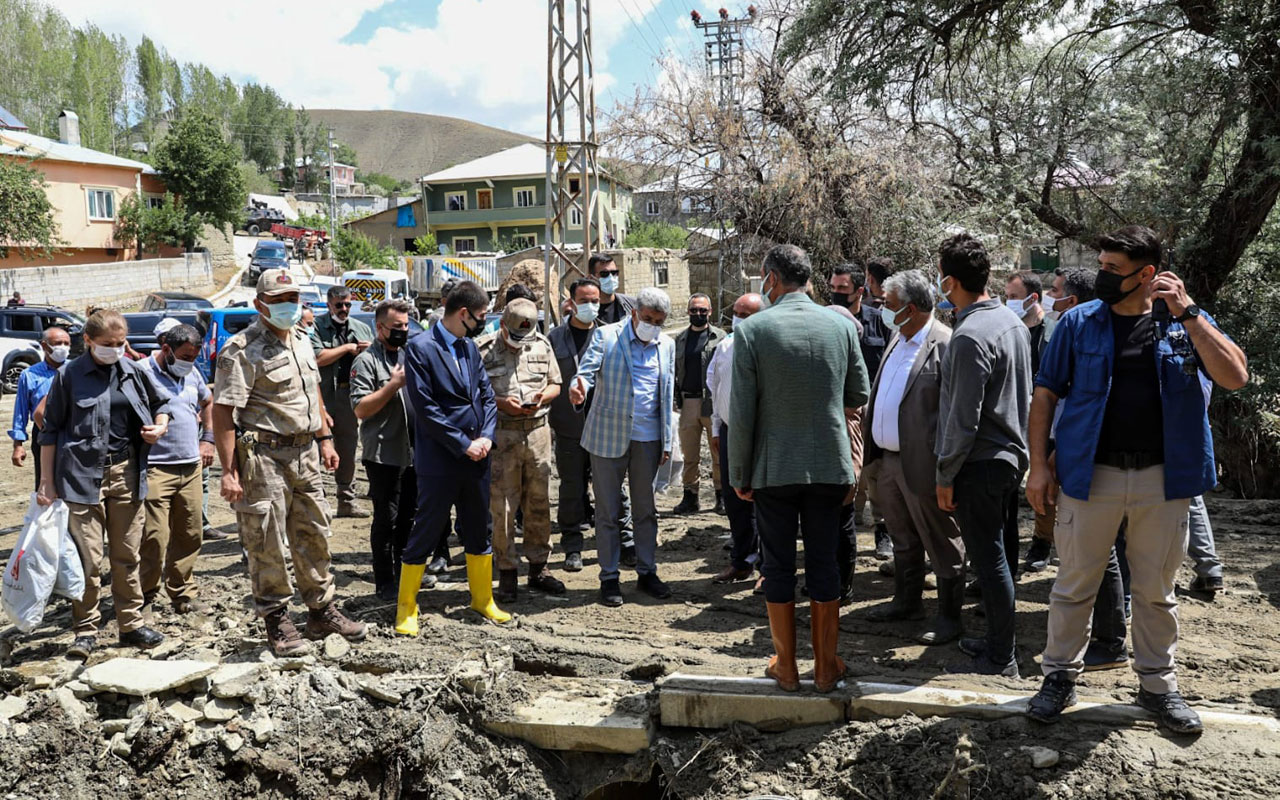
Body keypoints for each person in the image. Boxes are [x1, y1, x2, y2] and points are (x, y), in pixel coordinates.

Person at [1025, 225, 1248, 734]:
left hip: (1162, 482)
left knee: (1155, 591)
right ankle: (1058, 677)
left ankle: (1157, 686)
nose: (1101, 276)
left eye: (1112, 269)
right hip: (1090, 476)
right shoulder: (1079, 322)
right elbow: (1045, 396)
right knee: (1073, 585)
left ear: (1148, 275)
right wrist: (1039, 465)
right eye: (1101, 266)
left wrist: (1190, 314)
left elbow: (1234, 375)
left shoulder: (1183, 323)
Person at [730, 244, 870, 693]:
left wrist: (739, 473)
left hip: (774, 468)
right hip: (829, 463)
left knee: (778, 564)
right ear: (808, 279)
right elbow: (858, 394)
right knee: (825, 560)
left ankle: (787, 666)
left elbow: (742, 411)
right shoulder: (840, 325)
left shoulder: (754, 330)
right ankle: (827, 667)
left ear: (771, 279)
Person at [213, 269, 367, 656]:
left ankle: (321, 610)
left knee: (315, 532)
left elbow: (311, 390)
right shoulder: (241, 349)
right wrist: (229, 472)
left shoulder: (301, 340)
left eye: (293, 298)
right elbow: (223, 413)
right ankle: (277, 619)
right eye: (279, 300)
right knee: (266, 541)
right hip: (262, 457)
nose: (288, 306)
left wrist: (325, 438)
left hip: (305, 454)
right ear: (259, 304)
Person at [37, 309, 171, 658]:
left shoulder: (133, 372)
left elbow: (162, 404)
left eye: (120, 343)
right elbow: (49, 430)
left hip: (126, 474)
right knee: (88, 560)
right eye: (106, 344)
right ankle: (85, 629)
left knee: (127, 554)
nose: (114, 349)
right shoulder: (69, 376)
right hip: (80, 478)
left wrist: (160, 426)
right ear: (88, 341)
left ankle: (131, 624)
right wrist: (46, 482)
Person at [934, 232, 1032, 677]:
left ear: (950, 282)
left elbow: (962, 418)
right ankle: (998, 641)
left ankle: (1001, 657)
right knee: (1002, 555)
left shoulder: (969, 336)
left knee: (989, 560)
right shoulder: (1010, 323)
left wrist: (945, 474)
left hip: (980, 462)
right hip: (1009, 458)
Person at [395, 280, 509, 635]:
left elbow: (487, 396)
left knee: (480, 527)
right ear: (463, 314)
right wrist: (463, 443)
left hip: (478, 457)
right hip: (442, 458)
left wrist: (487, 437)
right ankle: (406, 609)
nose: (483, 322)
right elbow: (426, 409)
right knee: (427, 528)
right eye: (481, 316)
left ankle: (482, 599)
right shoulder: (420, 348)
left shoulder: (470, 347)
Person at [862, 270, 965, 644]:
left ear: (910, 308)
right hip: (887, 461)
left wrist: (946, 468)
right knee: (903, 537)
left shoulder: (945, 343)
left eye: (888, 305)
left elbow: (955, 412)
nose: (881, 310)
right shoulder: (897, 337)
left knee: (941, 540)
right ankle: (907, 602)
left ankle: (949, 617)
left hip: (923, 465)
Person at [569, 287, 677, 607]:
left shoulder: (667, 344)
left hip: (648, 439)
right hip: (607, 438)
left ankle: (646, 571)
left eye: (658, 321)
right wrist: (579, 388)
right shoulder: (606, 337)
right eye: (647, 319)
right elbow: (586, 372)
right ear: (634, 313)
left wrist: (667, 439)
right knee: (608, 512)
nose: (652, 325)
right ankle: (609, 576)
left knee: (646, 510)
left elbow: (667, 393)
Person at [548, 277, 637, 571]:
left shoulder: (610, 335)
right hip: (569, 427)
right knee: (571, 489)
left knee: (613, 488)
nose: (590, 305)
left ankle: (625, 541)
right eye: (584, 300)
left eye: (595, 300)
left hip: (606, 426)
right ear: (571, 303)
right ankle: (573, 546)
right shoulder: (554, 339)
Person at [479, 298, 565, 603]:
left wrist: (543, 397)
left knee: (539, 502)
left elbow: (556, 383)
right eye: (515, 337)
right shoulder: (484, 349)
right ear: (503, 326)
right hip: (503, 436)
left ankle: (539, 567)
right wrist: (502, 403)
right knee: (502, 507)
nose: (519, 344)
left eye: (524, 338)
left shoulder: (541, 344)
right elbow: (475, 393)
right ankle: (507, 570)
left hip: (538, 432)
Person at [351, 299, 427, 603]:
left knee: (410, 517)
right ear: (379, 327)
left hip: (414, 451)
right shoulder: (366, 361)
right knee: (387, 520)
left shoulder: (410, 355)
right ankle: (385, 581)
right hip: (383, 453)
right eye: (397, 327)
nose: (403, 331)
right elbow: (360, 408)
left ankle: (405, 575)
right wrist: (392, 385)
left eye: (406, 326)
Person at [1023, 267, 1096, 573]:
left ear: (1072, 300)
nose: (1051, 297)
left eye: (1055, 291)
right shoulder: (1053, 329)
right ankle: (1042, 542)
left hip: (1076, 429)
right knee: (1047, 489)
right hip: (1051, 423)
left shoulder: (1092, 335)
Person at [138, 323, 213, 616]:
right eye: (184, 356)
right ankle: (144, 594)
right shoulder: (141, 372)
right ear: (166, 349)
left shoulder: (192, 372)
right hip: (155, 466)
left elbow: (208, 401)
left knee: (190, 533)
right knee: (154, 536)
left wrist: (208, 439)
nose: (189, 362)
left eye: (194, 357)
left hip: (190, 465)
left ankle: (182, 592)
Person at [830, 261, 892, 560]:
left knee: (876, 472)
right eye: (833, 288)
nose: (837, 294)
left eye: (843, 288)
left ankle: (883, 533)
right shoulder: (826, 320)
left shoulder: (879, 322)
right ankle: (846, 526)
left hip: (874, 406)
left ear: (860, 291)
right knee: (845, 472)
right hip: (838, 408)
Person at [705, 292, 763, 583]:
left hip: (762, 435)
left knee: (765, 500)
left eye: (746, 314)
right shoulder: (725, 347)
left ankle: (768, 568)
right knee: (734, 500)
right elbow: (715, 391)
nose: (739, 319)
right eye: (736, 313)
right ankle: (742, 562)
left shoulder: (769, 347)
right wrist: (717, 428)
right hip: (729, 432)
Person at [310, 285, 373, 518]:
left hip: (349, 396)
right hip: (322, 396)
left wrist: (369, 351)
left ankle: (346, 501)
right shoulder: (316, 327)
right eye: (339, 305)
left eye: (348, 304)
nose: (344, 309)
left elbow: (377, 359)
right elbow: (317, 358)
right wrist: (347, 348)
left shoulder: (362, 328)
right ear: (329, 305)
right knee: (315, 449)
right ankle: (316, 502)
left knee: (347, 448)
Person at [672, 293, 726, 515]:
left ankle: (721, 496)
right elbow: (674, 371)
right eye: (694, 310)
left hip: (713, 402)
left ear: (710, 312)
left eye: (702, 310)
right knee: (689, 454)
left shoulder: (721, 337)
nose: (698, 314)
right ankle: (690, 497)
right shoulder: (680, 340)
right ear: (688, 312)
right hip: (688, 401)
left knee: (718, 452)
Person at [10, 326, 71, 490]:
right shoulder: (30, 375)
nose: (63, 347)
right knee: (46, 484)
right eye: (58, 343)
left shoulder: (76, 370)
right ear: (44, 346)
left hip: (74, 433)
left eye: (67, 343)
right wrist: (18, 445)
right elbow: (20, 411)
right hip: (43, 432)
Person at [590, 253, 636, 324]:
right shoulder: (586, 310)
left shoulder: (632, 304)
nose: (611, 277)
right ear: (591, 278)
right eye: (604, 274)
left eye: (614, 273)